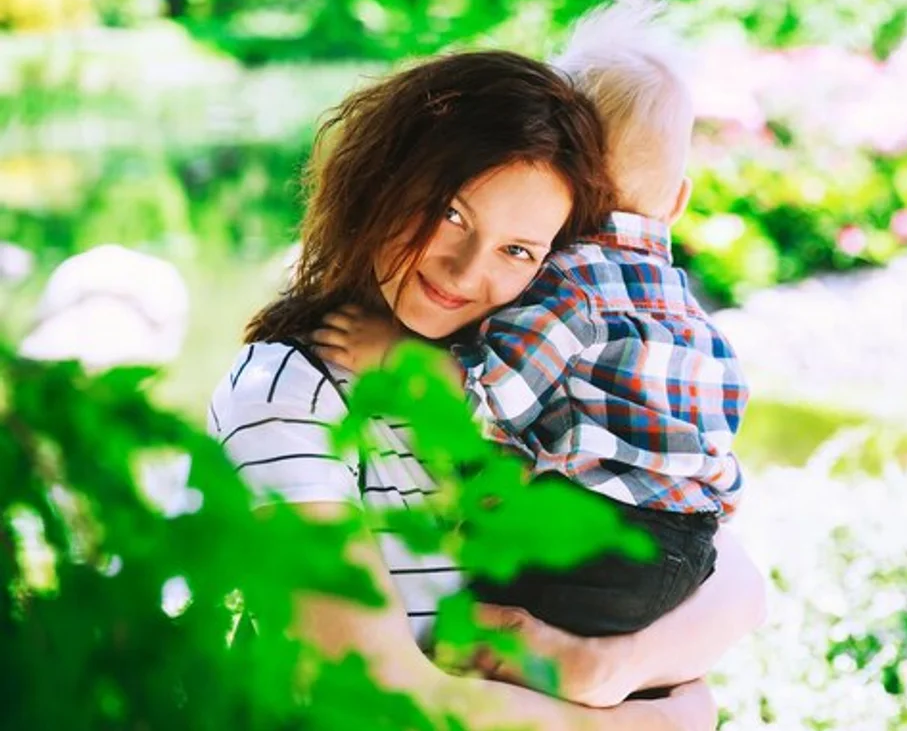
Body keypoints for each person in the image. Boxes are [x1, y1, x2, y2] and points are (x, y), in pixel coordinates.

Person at [208, 49, 765, 730]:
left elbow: (736, 582)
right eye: (450, 214)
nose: (466, 270)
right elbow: (370, 696)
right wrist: (645, 721)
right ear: (381, 179)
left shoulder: (518, 380)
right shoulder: (290, 393)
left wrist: (611, 669)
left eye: (519, 250)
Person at [317, 2, 747, 642]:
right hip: (691, 546)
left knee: (470, 614)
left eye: (517, 247)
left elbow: (492, 394)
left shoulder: (569, 282)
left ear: (566, 173)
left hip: (596, 541)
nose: (474, 270)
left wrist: (392, 355)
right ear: (679, 201)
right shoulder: (688, 311)